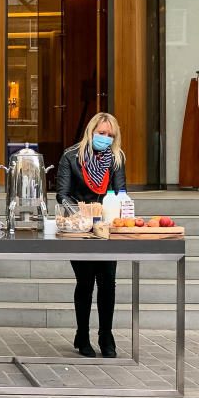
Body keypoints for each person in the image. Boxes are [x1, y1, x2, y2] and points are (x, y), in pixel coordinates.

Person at [56, 112, 127, 359]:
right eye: (101, 133)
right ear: (91, 132)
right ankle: (83, 334)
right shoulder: (70, 156)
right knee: (85, 281)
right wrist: (83, 215)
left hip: (107, 228)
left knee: (108, 281)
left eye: (110, 135)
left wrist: (121, 205)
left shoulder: (116, 158)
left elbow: (120, 191)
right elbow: (62, 194)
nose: (105, 138)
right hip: (80, 228)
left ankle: (106, 335)